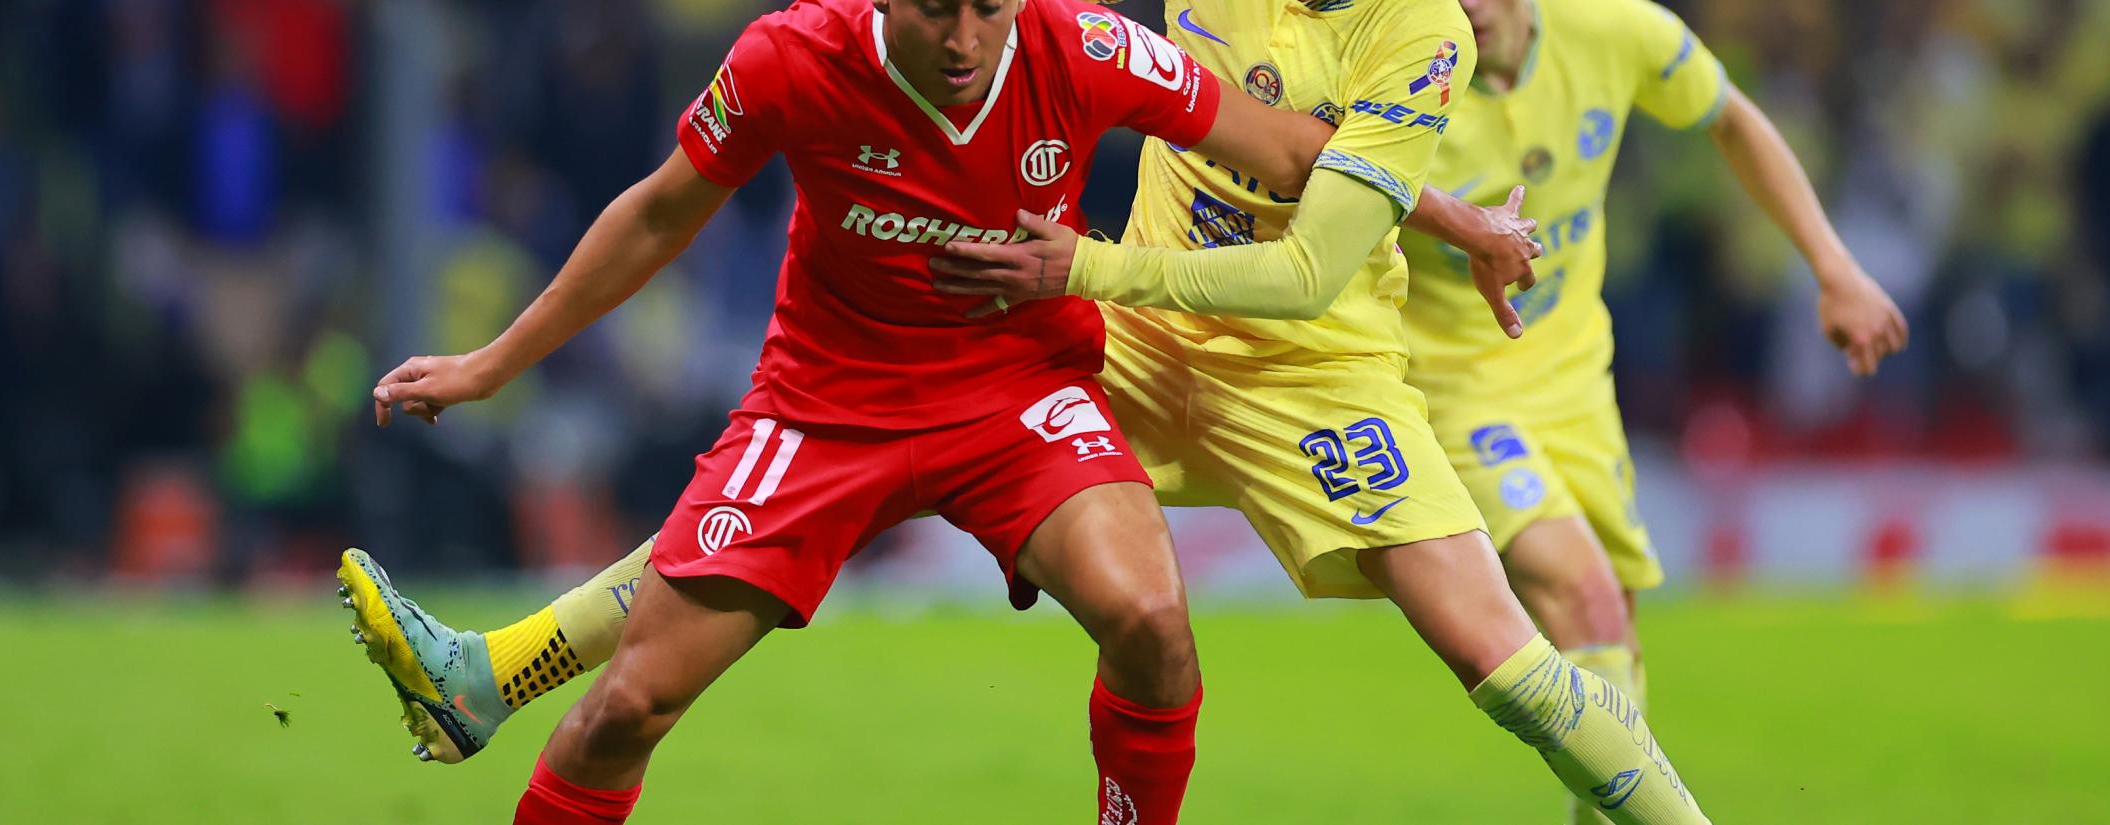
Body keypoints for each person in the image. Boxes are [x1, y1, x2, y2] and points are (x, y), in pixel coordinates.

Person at [350, 0, 1722, 822]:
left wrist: (1454, 214)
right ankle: (493, 673)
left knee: (1430, 641)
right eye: (937, 7)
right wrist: (490, 363)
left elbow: (1303, 218)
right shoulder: (802, 58)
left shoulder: (1354, 36)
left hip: (1173, 367)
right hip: (967, 369)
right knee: (682, 623)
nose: (963, 38)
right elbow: (660, 209)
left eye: (985, 10)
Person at [1392, 1, 1906, 821]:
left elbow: (1731, 117)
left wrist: (1832, 266)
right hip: (1447, 389)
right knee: (1583, 594)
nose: (1469, 8)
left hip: (1575, 381)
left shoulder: (1614, 30)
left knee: (1613, 643)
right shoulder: (1398, 69)